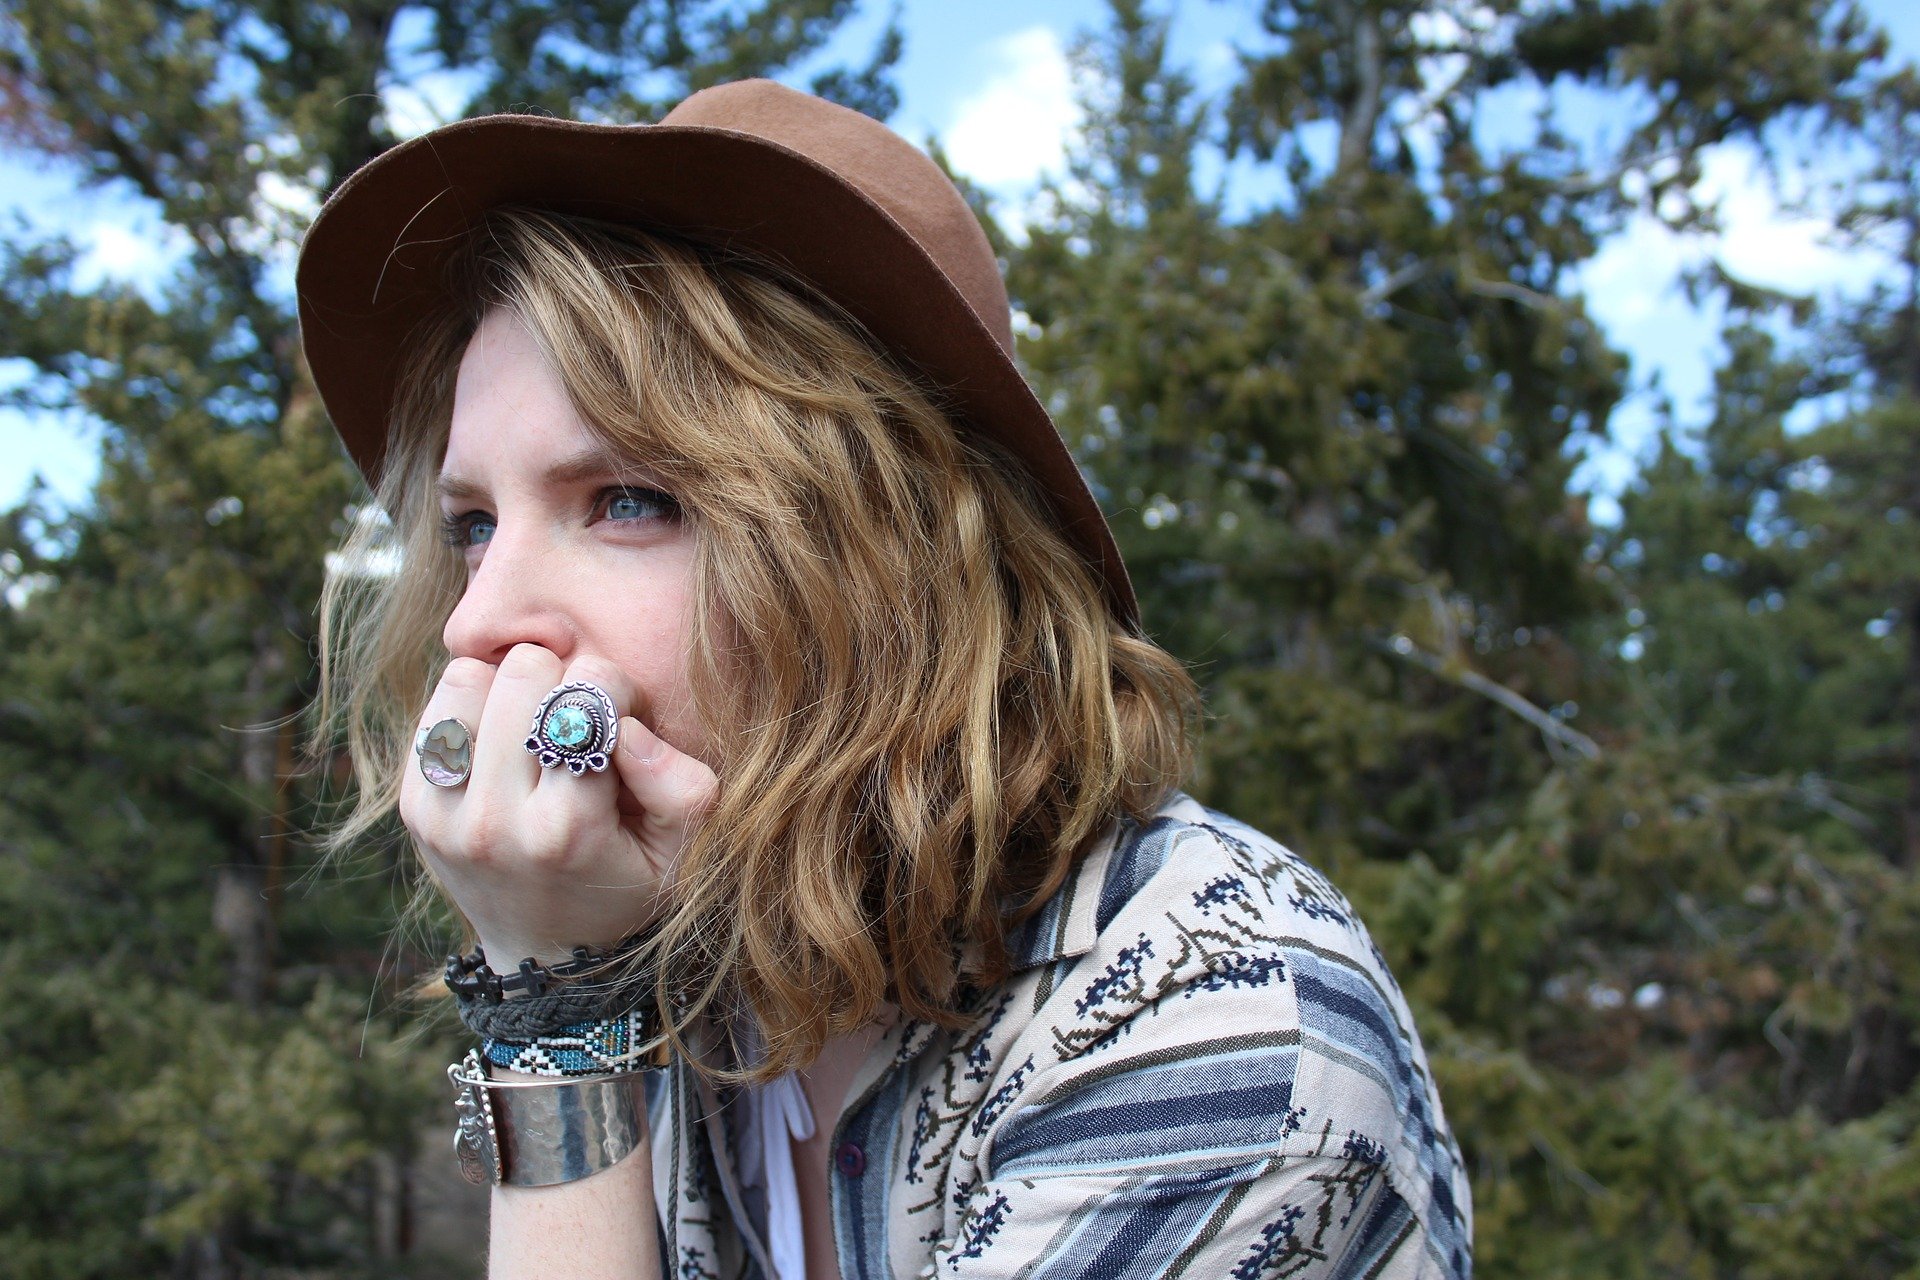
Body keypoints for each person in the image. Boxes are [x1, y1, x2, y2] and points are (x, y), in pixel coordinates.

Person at [302, 79, 1471, 1280]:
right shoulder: (680, 949)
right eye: (472, 524)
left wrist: (555, 1021)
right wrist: (565, 995)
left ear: (891, 564)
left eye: (631, 501)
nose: (479, 622)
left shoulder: (1211, 1015)